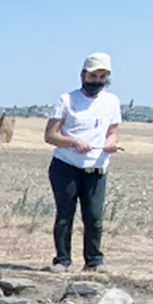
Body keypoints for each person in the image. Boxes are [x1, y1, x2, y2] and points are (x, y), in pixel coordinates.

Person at [42, 52, 123, 270]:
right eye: (94, 76)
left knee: (94, 217)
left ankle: (94, 262)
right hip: (66, 166)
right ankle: (62, 260)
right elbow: (50, 135)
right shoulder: (66, 100)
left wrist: (111, 143)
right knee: (65, 215)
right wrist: (73, 142)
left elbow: (113, 132)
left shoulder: (112, 101)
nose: (97, 81)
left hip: (96, 167)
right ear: (83, 75)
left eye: (102, 77)